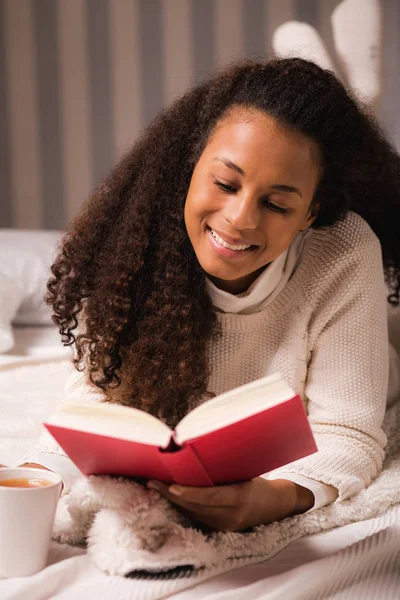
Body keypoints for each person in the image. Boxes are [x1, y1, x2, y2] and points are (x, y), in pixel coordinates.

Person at [12, 58, 400, 531]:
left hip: (368, 357)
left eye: (277, 204)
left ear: (310, 212)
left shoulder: (343, 251)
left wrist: (268, 500)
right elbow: (95, 405)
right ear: (190, 167)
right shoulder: (132, 247)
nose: (240, 220)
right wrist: (34, 476)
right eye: (225, 183)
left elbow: (350, 432)